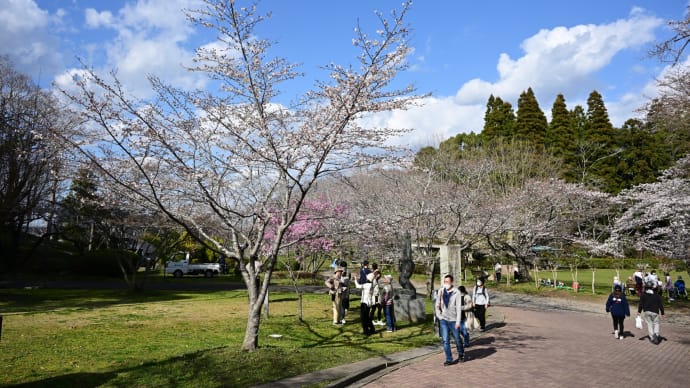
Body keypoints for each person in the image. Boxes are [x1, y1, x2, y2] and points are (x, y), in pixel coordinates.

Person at [436, 274, 464, 366]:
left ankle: (461, 354)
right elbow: (437, 305)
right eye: (444, 281)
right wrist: (439, 316)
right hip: (444, 319)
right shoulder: (441, 291)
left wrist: (458, 321)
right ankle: (449, 359)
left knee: (457, 339)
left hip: (453, 320)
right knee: (445, 340)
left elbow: (459, 308)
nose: (445, 283)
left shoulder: (457, 292)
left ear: (451, 282)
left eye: (447, 282)